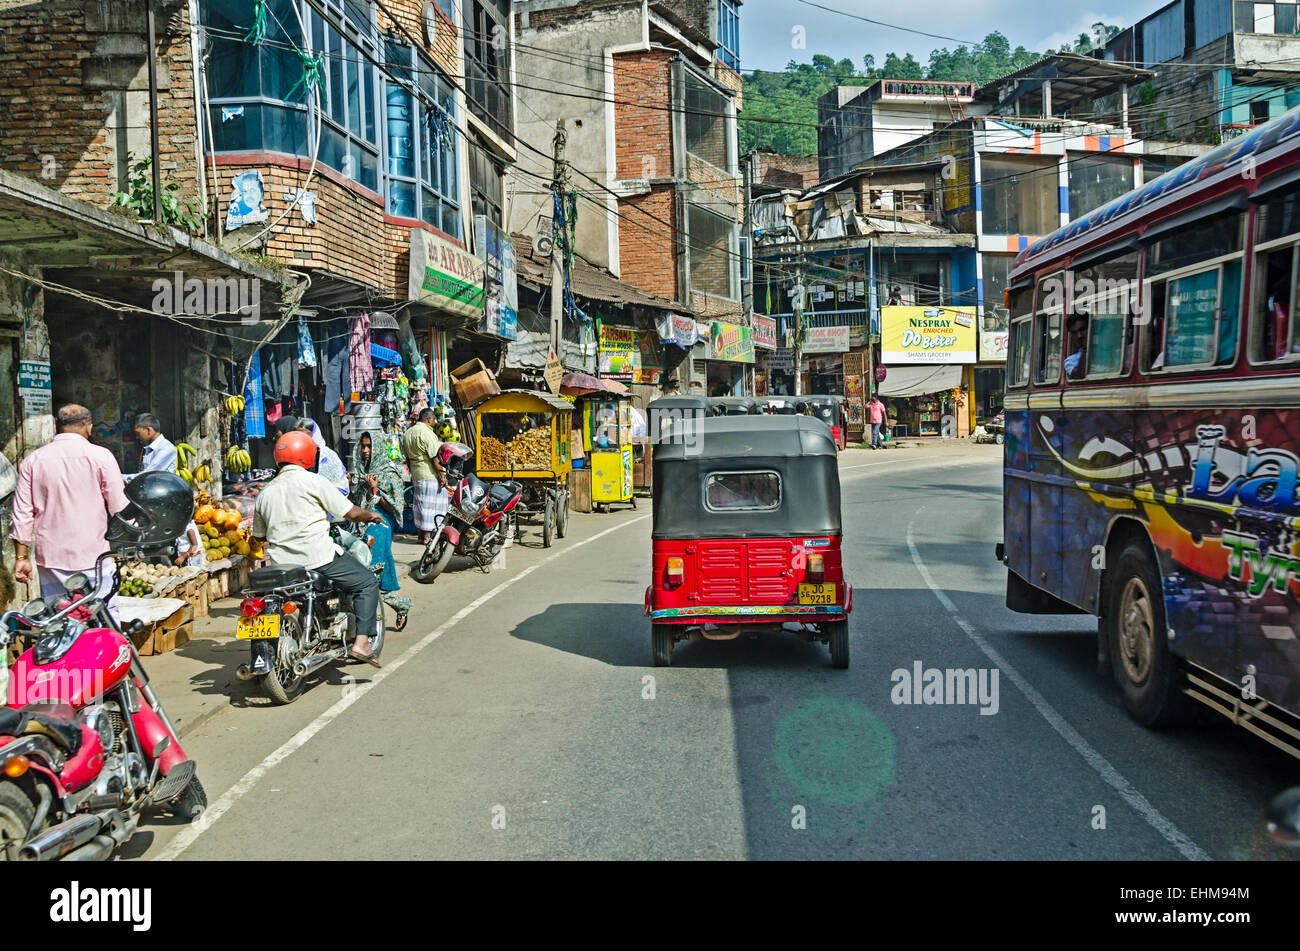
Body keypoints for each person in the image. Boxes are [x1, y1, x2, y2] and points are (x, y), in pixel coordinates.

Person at [251, 430, 386, 666]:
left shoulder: (265, 492)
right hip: (318, 558)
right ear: (307, 456)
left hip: (282, 565)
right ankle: (362, 643)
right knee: (367, 582)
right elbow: (351, 512)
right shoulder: (315, 482)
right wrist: (371, 515)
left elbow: (259, 536)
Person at [11, 404, 130, 606]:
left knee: (58, 620)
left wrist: (21, 557)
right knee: (103, 617)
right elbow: (120, 508)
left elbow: (22, 513)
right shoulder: (101, 456)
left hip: (50, 561)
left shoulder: (32, 461)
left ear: (56, 425)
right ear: (88, 426)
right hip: (94, 557)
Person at [349, 432, 411, 631]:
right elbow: (354, 503)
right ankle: (400, 605)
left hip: (380, 528)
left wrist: (375, 490)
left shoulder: (390, 474)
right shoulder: (361, 472)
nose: (365, 451)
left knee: (370, 576)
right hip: (361, 527)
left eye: (369, 447)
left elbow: (396, 509)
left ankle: (367, 627)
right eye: (363, 447)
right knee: (363, 575)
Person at [402, 407, 446, 545]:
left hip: (416, 474)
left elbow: (407, 458)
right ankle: (428, 536)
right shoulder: (427, 433)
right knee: (431, 506)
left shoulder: (408, 433)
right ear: (428, 419)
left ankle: (420, 536)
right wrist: (442, 474)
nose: (434, 422)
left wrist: (412, 471)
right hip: (429, 473)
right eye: (433, 419)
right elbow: (435, 458)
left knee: (419, 504)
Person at [131, 412, 177, 476]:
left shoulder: (166, 448)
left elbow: (148, 475)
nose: (137, 437)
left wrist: (120, 477)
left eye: (138, 434)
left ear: (148, 430)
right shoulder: (147, 448)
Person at [1064, 314, 1088, 380]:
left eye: (1082, 329)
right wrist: (1085, 348)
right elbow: (1079, 375)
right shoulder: (1070, 361)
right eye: (1074, 333)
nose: (1079, 335)